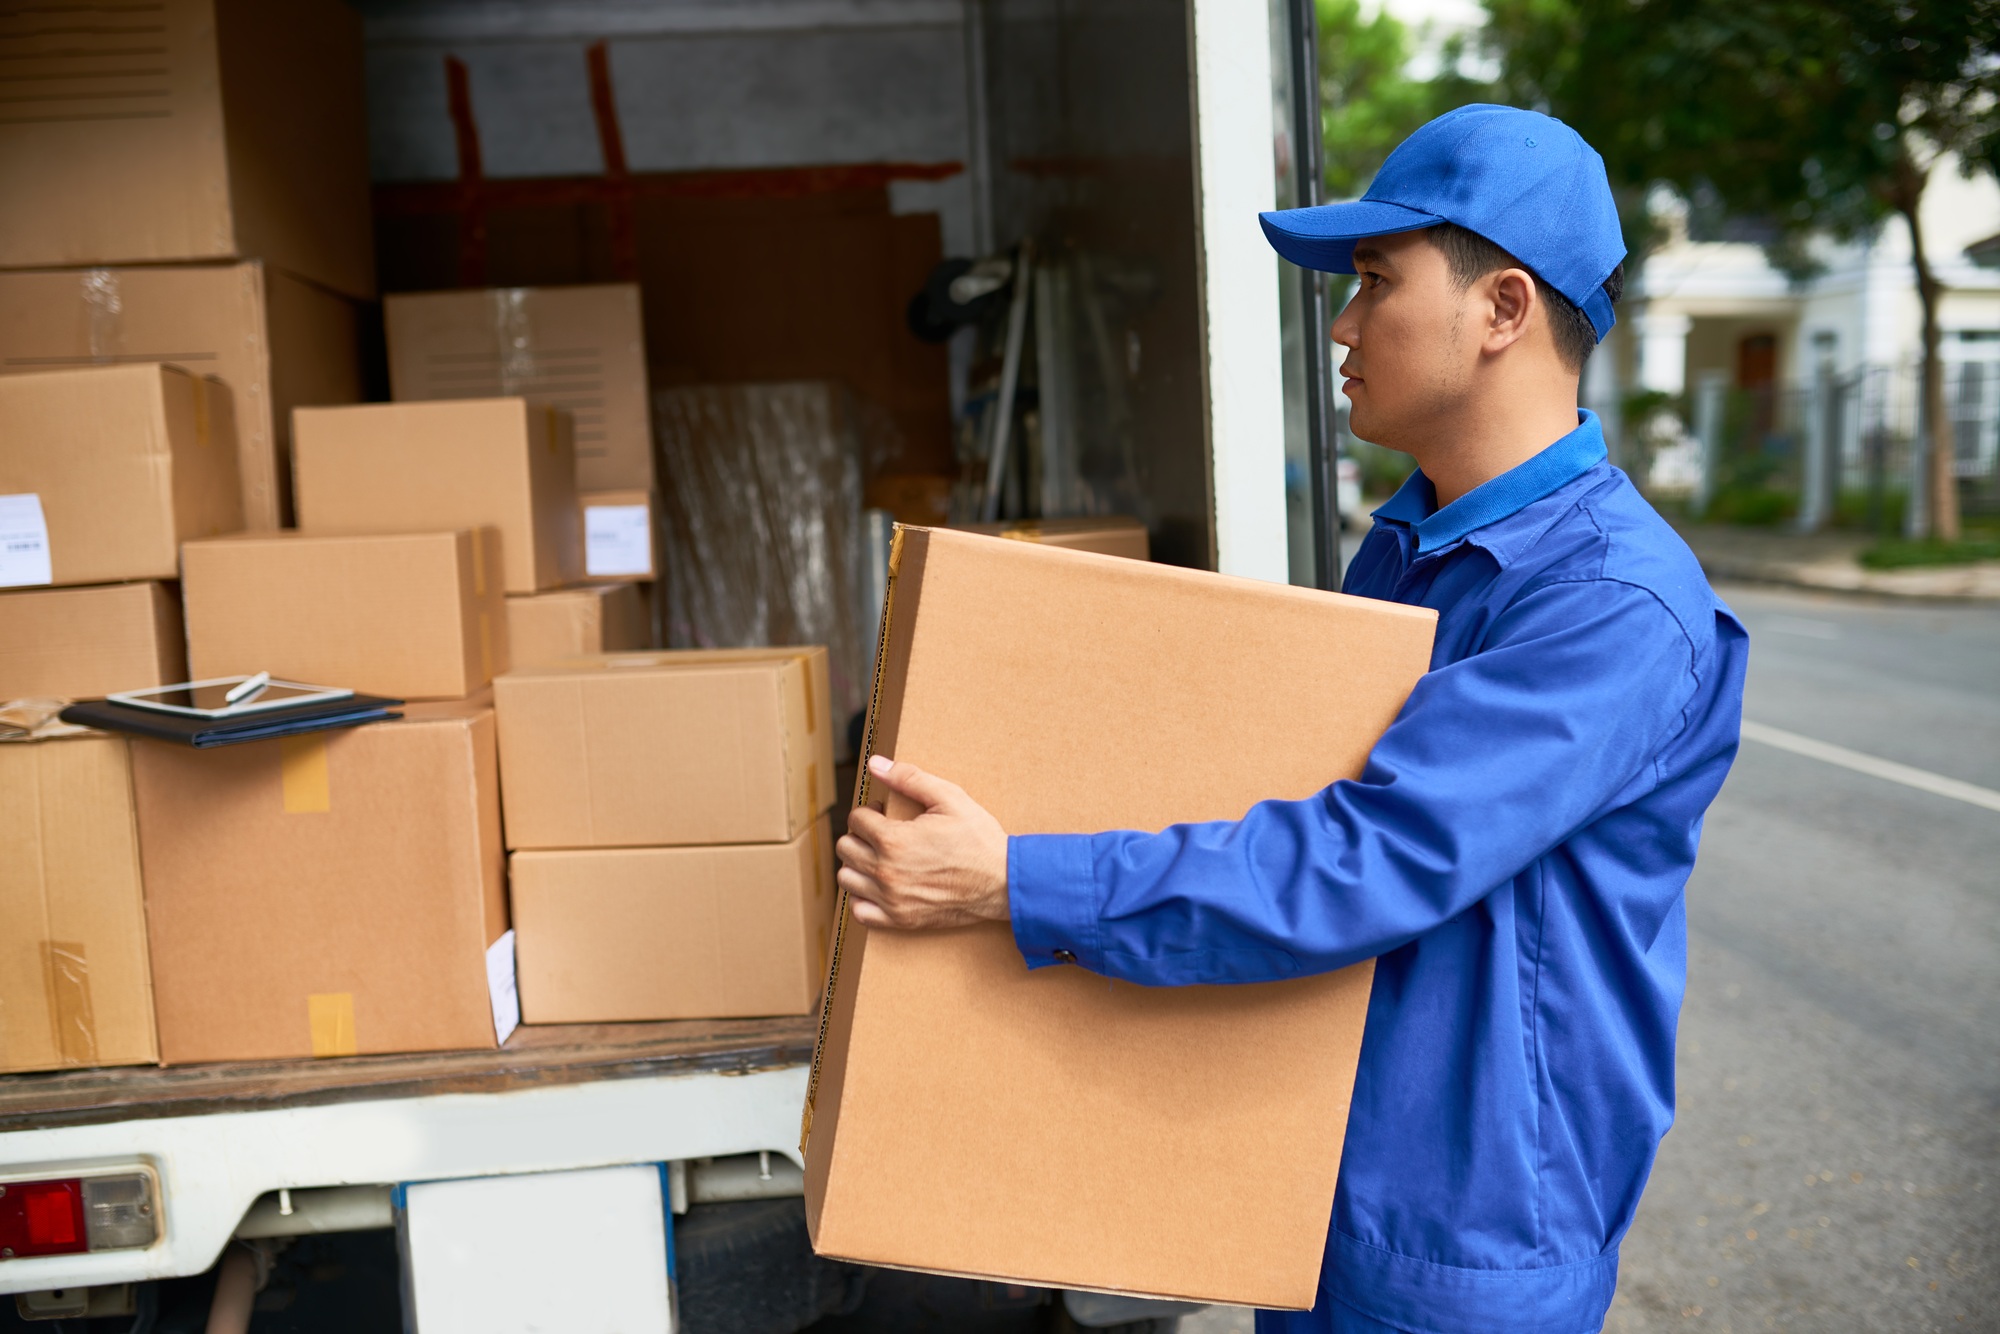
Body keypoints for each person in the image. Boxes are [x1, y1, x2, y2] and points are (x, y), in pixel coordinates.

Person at [833, 104, 1750, 1334]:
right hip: (1328, 1199)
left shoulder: (1606, 603)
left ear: (1502, 310)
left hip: (1461, 1251)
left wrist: (1010, 878)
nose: (1342, 322)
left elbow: (1365, 860)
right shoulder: (1413, 544)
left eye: (1375, 281)